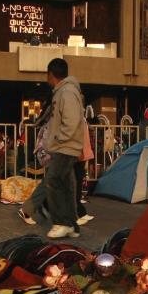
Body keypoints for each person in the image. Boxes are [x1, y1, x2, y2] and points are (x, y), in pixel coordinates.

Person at [40, 58, 86, 239]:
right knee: (67, 186)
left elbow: (72, 121)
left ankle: (61, 222)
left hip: (65, 147)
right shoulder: (64, 91)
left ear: (50, 74)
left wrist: (59, 139)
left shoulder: (66, 92)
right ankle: (72, 225)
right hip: (66, 146)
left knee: (52, 181)